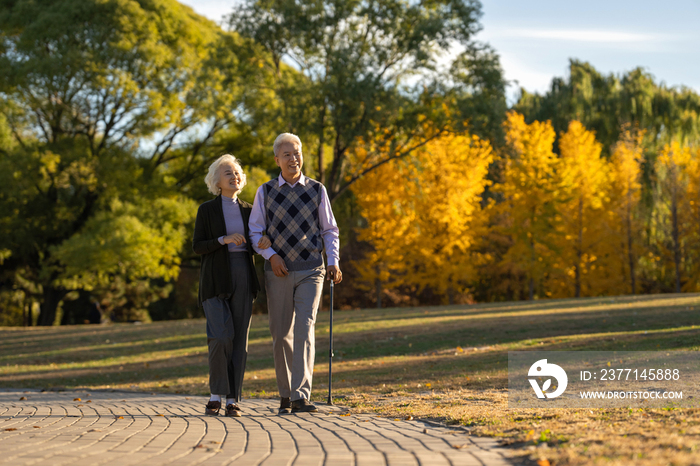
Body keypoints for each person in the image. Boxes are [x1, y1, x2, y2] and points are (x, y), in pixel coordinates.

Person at [249, 133, 343, 414]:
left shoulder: (317, 190)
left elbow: (329, 229)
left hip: (311, 270)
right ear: (277, 159)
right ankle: (286, 395)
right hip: (277, 271)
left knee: (305, 329)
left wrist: (333, 260)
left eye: (298, 153)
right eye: (287, 154)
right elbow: (254, 231)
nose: (294, 158)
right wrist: (271, 255)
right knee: (281, 334)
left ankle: (301, 395)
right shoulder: (265, 191)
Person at [192, 154, 271, 417]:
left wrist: (263, 243)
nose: (234, 176)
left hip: (243, 278)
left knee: (239, 340)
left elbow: (258, 239)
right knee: (220, 336)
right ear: (216, 181)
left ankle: (232, 400)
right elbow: (197, 246)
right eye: (228, 172)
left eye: (237, 172)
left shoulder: (250, 210)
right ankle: (215, 395)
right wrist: (223, 239)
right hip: (215, 280)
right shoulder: (206, 210)